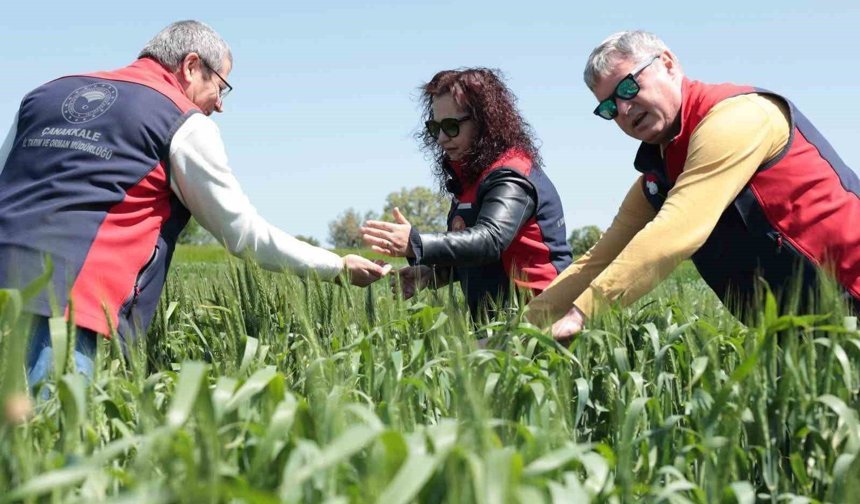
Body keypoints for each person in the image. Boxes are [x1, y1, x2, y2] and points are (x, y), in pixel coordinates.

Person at [0, 20, 388, 387]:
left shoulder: (44, 94)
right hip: (69, 311)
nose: (220, 104)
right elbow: (243, 234)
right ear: (190, 66)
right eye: (221, 86)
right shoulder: (181, 121)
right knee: (50, 441)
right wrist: (337, 266)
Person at [526, 30, 860, 340]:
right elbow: (597, 260)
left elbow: (676, 230)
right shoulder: (661, 175)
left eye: (628, 87)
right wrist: (521, 329)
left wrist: (582, 314)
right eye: (609, 107)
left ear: (668, 64)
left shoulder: (737, 117)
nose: (624, 109)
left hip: (852, 298)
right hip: (801, 333)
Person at [361, 68, 572, 319]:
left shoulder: (511, 175)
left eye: (451, 126)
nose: (440, 138)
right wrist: (432, 273)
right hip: (498, 325)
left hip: (541, 322)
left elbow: (490, 240)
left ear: (484, 122)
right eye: (434, 127)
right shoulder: (470, 178)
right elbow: (476, 256)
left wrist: (416, 243)